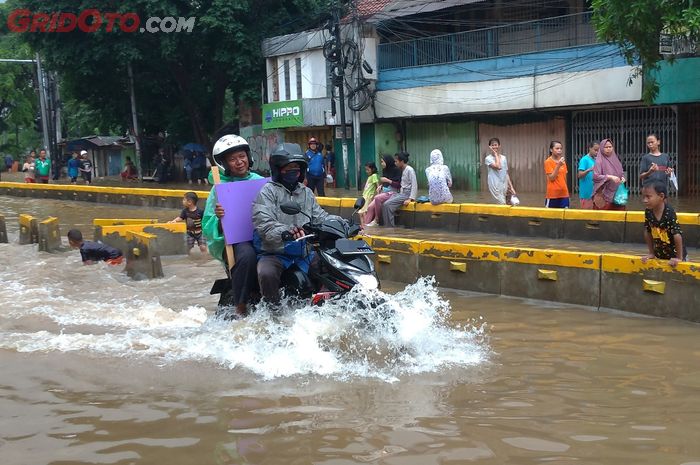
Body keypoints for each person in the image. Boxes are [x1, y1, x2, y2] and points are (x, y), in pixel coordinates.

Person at [252, 142, 344, 304]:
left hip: (303, 253)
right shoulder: (268, 192)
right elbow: (264, 223)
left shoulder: (306, 192)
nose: (292, 171)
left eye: (296, 167)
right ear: (278, 169)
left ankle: (321, 307)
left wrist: (343, 223)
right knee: (266, 274)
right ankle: (272, 312)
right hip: (274, 252)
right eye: (288, 168)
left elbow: (320, 217)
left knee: (330, 266)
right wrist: (285, 232)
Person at [202, 134, 264, 318]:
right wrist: (220, 219)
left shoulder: (260, 181)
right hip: (237, 241)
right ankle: (241, 305)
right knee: (247, 255)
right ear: (224, 163)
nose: (239, 162)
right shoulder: (219, 189)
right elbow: (207, 224)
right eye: (232, 159)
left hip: (263, 235)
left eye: (242, 156)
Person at [641, 180, 687, 267]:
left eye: (648, 197)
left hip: (675, 255)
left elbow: (677, 234)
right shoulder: (648, 211)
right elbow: (647, 231)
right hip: (661, 254)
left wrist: (679, 258)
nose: (645, 200)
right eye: (643, 197)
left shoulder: (669, 212)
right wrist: (651, 253)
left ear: (661, 196)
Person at [381, 152, 417, 227]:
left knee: (387, 204)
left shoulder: (410, 170)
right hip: (401, 193)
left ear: (402, 162)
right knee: (385, 204)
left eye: (396, 161)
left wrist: (410, 199)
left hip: (406, 194)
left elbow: (414, 185)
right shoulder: (402, 170)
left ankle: (389, 227)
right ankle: (387, 226)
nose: (395, 163)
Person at [364, 154, 402, 227]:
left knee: (377, 198)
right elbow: (384, 183)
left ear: (387, 162)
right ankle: (364, 227)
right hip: (385, 192)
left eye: (382, 162)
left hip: (393, 193)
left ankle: (377, 220)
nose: (381, 164)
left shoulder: (397, 170)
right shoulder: (385, 170)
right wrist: (381, 186)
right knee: (370, 207)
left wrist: (388, 180)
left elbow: (398, 185)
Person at [592, 139, 626, 210]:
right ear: (601, 148)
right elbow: (596, 176)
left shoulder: (615, 160)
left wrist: (622, 178)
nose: (608, 149)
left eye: (610, 147)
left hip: (617, 195)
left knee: (618, 217)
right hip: (603, 195)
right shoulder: (599, 161)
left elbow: (621, 172)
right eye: (606, 147)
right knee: (603, 217)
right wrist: (609, 177)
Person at [485, 138, 516, 205]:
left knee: (506, 203)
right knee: (501, 203)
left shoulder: (503, 158)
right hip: (494, 185)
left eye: (496, 145)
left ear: (499, 146)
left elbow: (506, 173)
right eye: (492, 145)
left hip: (504, 184)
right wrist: (496, 154)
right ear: (489, 147)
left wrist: (511, 187)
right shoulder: (488, 158)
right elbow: (498, 167)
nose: (494, 147)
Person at [544, 140, 569, 208]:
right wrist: (558, 165)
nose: (559, 150)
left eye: (561, 148)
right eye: (557, 148)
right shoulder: (548, 162)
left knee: (565, 216)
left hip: (564, 194)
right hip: (552, 195)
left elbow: (564, 178)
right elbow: (551, 178)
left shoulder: (563, 162)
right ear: (551, 150)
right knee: (550, 216)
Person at [577, 141, 599, 209]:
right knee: (587, 216)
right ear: (590, 148)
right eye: (595, 150)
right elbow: (579, 175)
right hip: (586, 194)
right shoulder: (584, 160)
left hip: (596, 194)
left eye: (598, 151)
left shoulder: (597, 160)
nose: (597, 152)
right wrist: (589, 170)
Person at [358, 162, 379, 227]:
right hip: (365, 196)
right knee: (361, 212)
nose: (366, 171)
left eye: (368, 170)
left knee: (363, 212)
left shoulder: (374, 176)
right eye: (366, 170)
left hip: (368, 197)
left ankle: (365, 226)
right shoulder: (370, 177)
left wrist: (376, 196)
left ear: (372, 169)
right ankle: (363, 226)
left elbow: (377, 186)